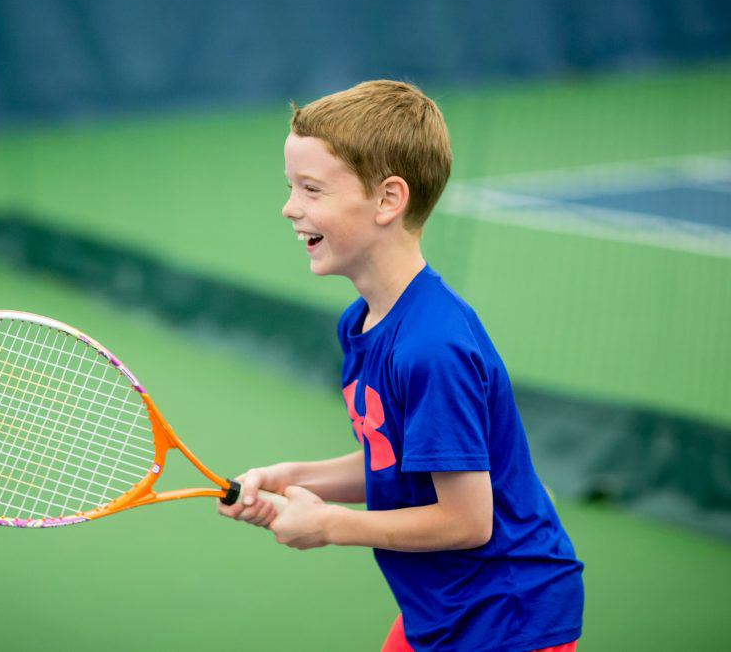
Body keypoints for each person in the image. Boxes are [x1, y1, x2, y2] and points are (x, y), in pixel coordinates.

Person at [218, 80, 584, 652]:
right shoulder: (360, 323)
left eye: (311, 189)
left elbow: (467, 521)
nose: (290, 207)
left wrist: (331, 526)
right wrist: (294, 476)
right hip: (443, 610)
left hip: (506, 619)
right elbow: (397, 464)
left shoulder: (432, 349)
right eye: (292, 187)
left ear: (389, 200)